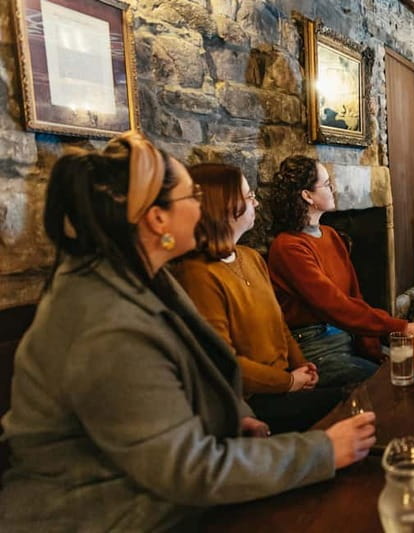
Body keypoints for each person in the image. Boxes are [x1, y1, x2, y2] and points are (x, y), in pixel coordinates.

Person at [0, 132, 376, 531]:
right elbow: (188, 470)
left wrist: (230, 415)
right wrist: (321, 453)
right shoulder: (105, 323)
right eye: (190, 197)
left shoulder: (141, 278)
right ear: (158, 219)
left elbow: (175, 385)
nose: (203, 208)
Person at [171, 163, 343, 434]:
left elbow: (280, 325)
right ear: (224, 206)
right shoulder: (198, 275)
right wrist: (287, 382)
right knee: (352, 401)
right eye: (249, 196)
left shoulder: (250, 257)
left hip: (287, 380)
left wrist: (302, 366)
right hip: (252, 402)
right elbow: (224, 363)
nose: (257, 202)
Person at [267, 155, 414, 384]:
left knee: (413, 369)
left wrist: (374, 348)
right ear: (307, 196)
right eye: (327, 184)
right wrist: (402, 327)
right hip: (315, 345)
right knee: (390, 382)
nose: (334, 188)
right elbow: (334, 305)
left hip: (345, 336)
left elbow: (353, 298)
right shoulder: (288, 247)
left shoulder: (330, 235)